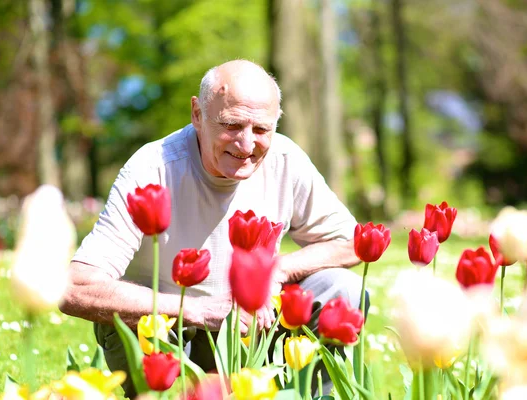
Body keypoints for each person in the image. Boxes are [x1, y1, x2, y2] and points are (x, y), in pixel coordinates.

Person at [60, 59, 367, 398]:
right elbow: (74, 287)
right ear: (197, 114)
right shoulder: (153, 169)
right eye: (231, 125)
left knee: (342, 287)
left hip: (254, 330)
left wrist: (275, 271)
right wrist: (197, 311)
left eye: (262, 130)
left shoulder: (285, 160)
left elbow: (350, 241)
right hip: (173, 336)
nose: (247, 145)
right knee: (138, 318)